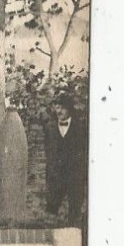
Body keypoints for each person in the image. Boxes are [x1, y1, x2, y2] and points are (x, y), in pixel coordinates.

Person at [44, 94, 87, 225]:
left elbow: (83, 150)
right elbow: (48, 150)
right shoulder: (49, 128)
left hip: (74, 174)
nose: (59, 111)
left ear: (69, 109)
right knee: (51, 208)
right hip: (56, 174)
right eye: (57, 107)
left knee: (75, 208)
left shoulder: (80, 127)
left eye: (62, 108)